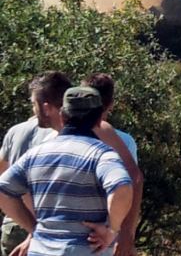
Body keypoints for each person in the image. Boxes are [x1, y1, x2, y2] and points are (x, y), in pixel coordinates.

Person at [0, 86, 133, 255]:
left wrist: (35, 229)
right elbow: (121, 187)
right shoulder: (102, 155)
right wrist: (112, 230)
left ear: (62, 116)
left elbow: (3, 190)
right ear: (100, 119)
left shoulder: (35, 154)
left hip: (41, 249)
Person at [0, 72, 71, 256]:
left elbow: (4, 177)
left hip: (17, 223)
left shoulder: (16, 132)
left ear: (45, 107)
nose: (33, 109)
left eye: (33, 103)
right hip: (52, 230)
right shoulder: (80, 138)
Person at [81, 73, 142, 256]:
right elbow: (133, 182)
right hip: (105, 233)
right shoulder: (124, 141)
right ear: (111, 104)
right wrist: (125, 233)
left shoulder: (57, 137)